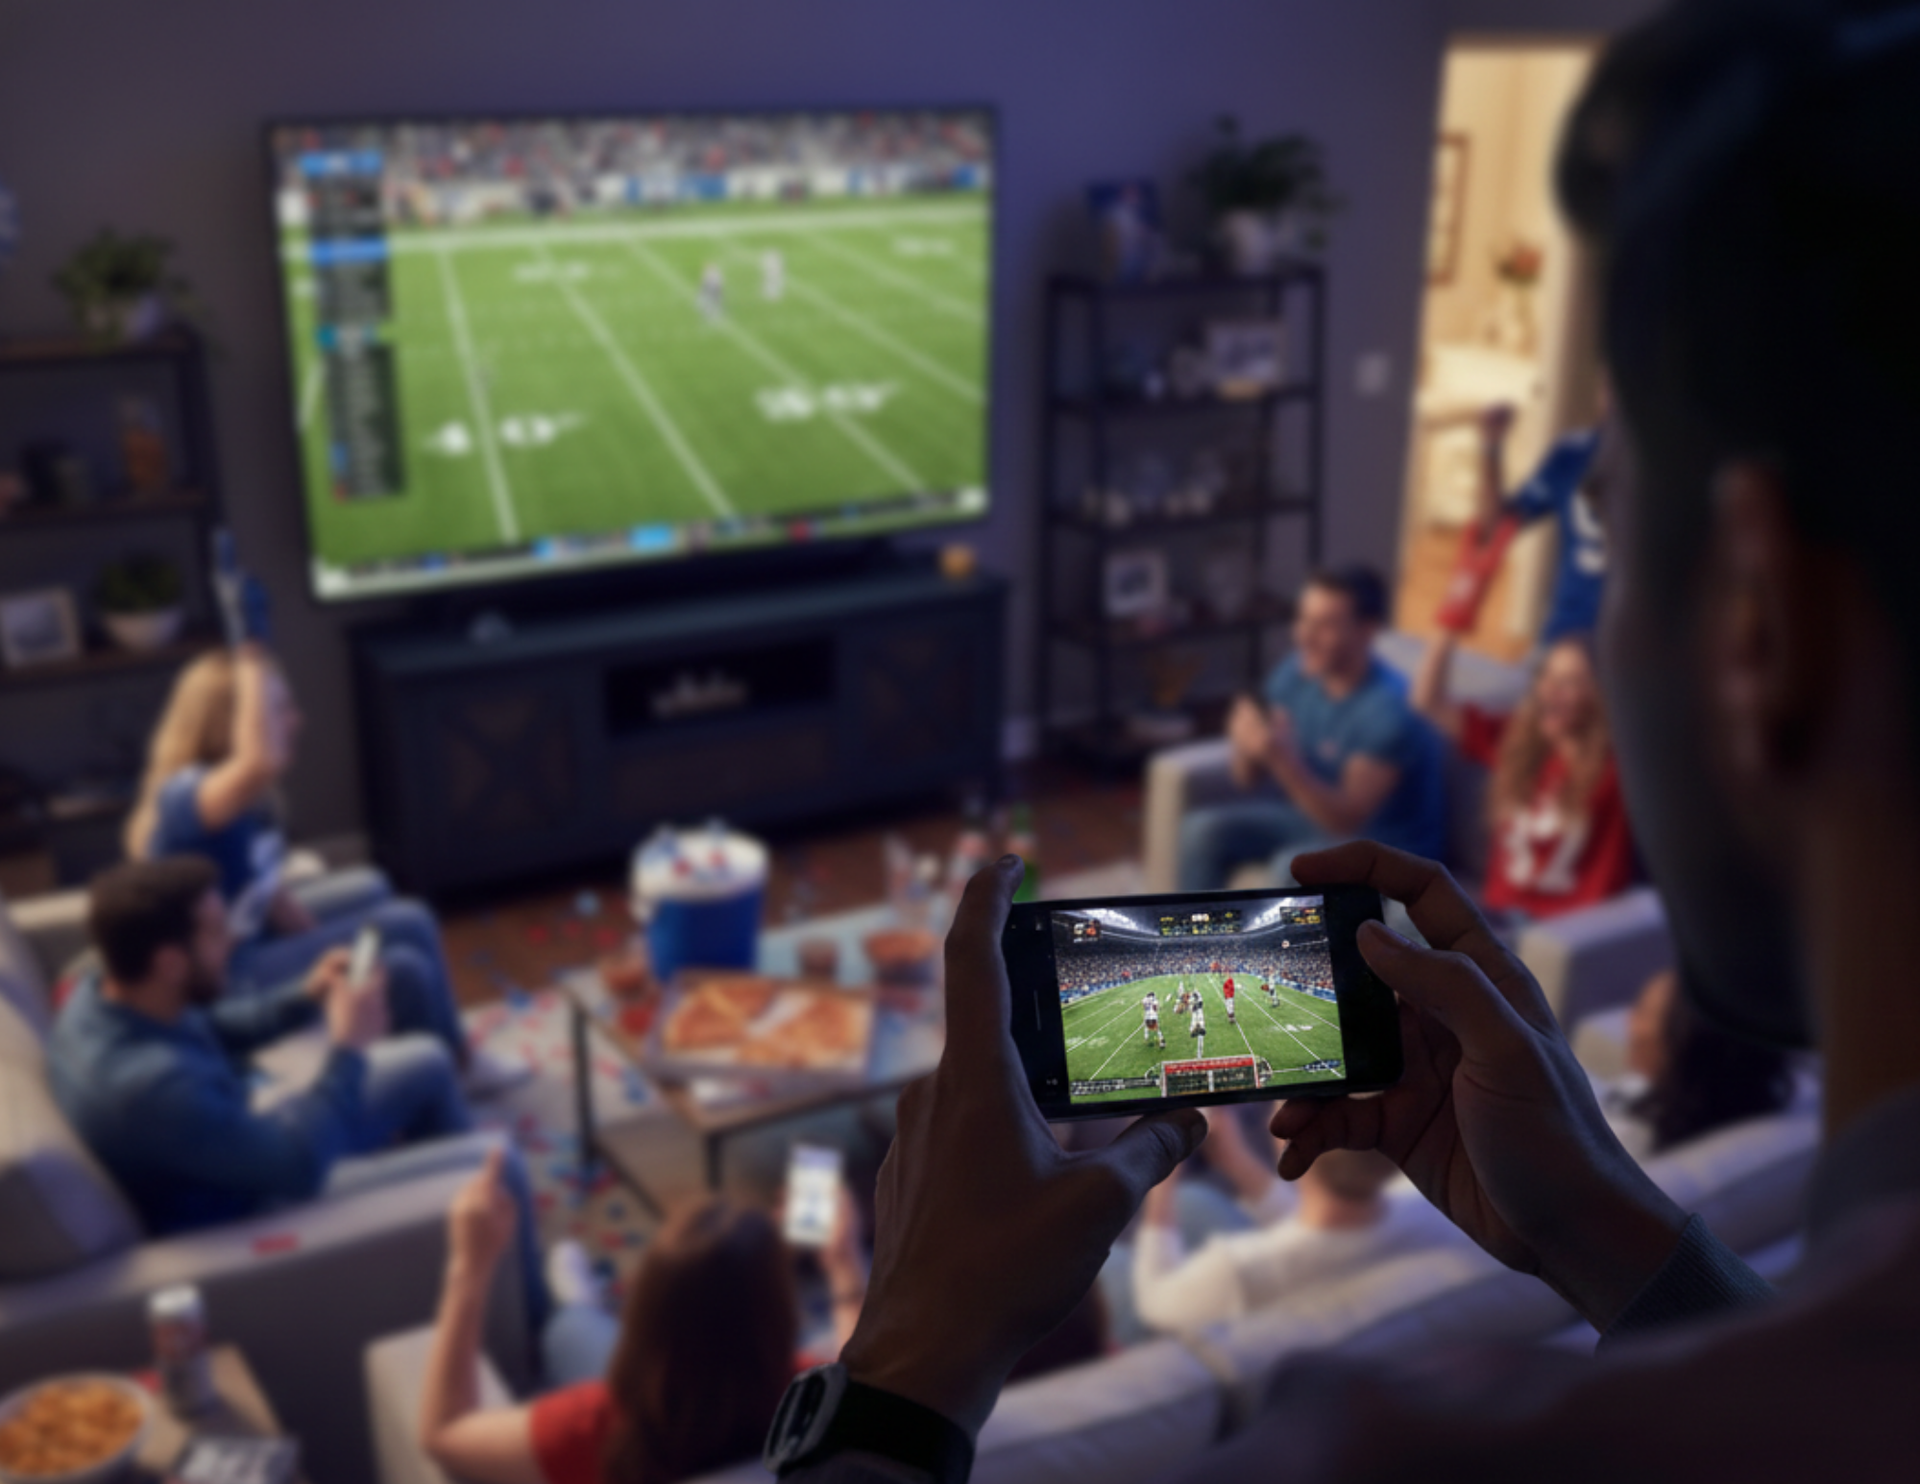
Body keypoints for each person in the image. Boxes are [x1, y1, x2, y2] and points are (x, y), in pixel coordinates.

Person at [772, 6, 1920, 1479]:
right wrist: (1614, 1233)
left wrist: (904, 1363)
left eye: (1607, 533)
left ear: (1761, 617)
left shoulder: (1388, 1454)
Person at [46, 858, 544, 1330]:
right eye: (217, 934)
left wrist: (305, 996)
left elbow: (210, 1025)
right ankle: (540, 1322)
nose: (234, 940)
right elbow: (296, 1167)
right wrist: (347, 1047)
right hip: (248, 1210)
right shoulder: (148, 1088)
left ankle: (451, 1253)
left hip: (235, 1145)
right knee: (502, 1168)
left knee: (430, 1064)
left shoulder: (100, 994)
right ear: (171, 962)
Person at [124, 643, 521, 1094]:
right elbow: (261, 759)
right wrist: (251, 664)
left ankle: (426, 1043)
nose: (296, 720)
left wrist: (325, 948)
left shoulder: (235, 800)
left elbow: (266, 888)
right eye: (279, 709)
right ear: (232, 724)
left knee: (374, 888)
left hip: (251, 942)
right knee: (408, 924)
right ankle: (459, 1065)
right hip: (227, 980)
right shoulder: (190, 797)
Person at [421, 1166, 868, 1484]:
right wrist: (844, 1263)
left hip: (630, 1390)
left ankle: (580, 1302)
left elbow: (443, 1431)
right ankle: (582, 1301)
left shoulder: (594, 1427)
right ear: (780, 1318)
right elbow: (871, 1372)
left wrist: (469, 1267)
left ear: (646, 1314)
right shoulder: (821, 1404)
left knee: (567, 1331)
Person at [1176, 568, 1445, 891]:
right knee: (1200, 831)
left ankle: (1269, 942)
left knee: (1291, 866)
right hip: (1313, 821)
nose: (1305, 636)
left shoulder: (1389, 710)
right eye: (1303, 620)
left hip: (1390, 848)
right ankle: (1197, 941)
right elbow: (1246, 780)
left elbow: (1345, 822)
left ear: (1367, 631)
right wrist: (1245, 743)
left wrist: (1282, 759)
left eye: (1325, 625)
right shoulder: (1297, 673)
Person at [1413, 628, 1635, 920]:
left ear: (1601, 692)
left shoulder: (1621, 768)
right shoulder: (1516, 742)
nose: (1551, 690)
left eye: (1569, 681)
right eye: (1547, 676)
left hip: (1569, 936)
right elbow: (1428, 702)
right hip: (1496, 919)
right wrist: (1453, 621)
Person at [1132, 1139, 1462, 1334]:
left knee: (1124, 1256)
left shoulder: (1238, 1274)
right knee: (1195, 1202)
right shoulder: (1442, 1211)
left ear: (1287, 1142)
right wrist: (1233, 1157)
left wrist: (1165, 1176)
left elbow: (1154, 1304)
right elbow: (1318, 1234)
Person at [1601, 968, 1797, 1162]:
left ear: (1681, 1048)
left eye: (1641, 1011)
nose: (1628, 1021)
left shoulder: (1618, 1145)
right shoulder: (1770, 1099)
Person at [1473, 399, 1609, 647]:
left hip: (1634, 656)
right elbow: (1496, 526)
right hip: (1565, 634)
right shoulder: (1571, 454)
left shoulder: (1675, 465)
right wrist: (1491, 446)